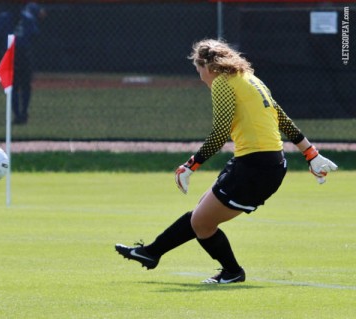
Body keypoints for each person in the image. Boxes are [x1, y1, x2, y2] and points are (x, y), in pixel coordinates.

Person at [115, 39, 338, 284]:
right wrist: (310, 153)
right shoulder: (250, 79)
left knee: (202, 223)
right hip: (260, 163)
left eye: (198, 70)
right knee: (200, 215)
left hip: (256, 167)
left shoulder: (222, 82)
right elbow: (281, 118)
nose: (200, 77)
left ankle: (232, 272)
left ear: (208, 66)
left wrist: (191, 164)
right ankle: (150, 253)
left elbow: (221, 132)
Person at [4, 2, 46, 125]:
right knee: (20, 86)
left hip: (14, 52)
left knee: (17, 86)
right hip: (20, 53)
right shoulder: (27, 17)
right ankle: (20, 113)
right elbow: (35, 35)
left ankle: (20, 113)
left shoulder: (7, 17)